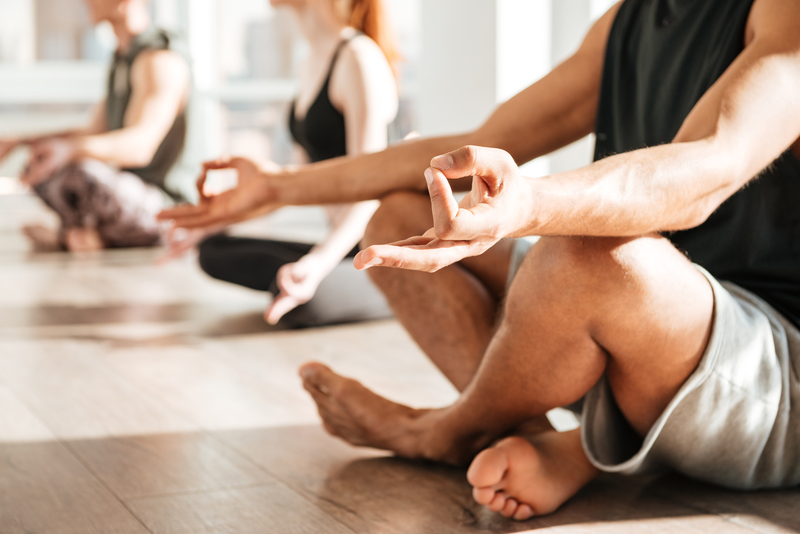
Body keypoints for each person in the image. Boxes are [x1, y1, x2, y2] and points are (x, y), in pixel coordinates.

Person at [159, 0, 800, 520]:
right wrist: (275, 187)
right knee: (398, 212)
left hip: (773, 372)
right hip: (656, 329)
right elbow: (478, 143)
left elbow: (709, 168)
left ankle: (443, 432)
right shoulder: (630, 19)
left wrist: (530, 204)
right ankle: (533, 437)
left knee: (580, 250)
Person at [169, 0, 399, 326]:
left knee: (306, 303)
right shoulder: (309, 63)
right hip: (343, 247)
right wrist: (217, 219)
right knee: (213, 249)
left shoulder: (359, 58)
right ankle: (312, 281)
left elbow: (369, 191)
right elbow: (295, 184)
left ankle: (401, 290)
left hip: (381, 251)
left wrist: (317, 263)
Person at [0, 0, 190, 252]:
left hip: (170, 210)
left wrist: (69, 150)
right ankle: (89, 236)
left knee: (80, 171)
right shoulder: (123, 61)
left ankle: (77, 237)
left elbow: (140, 147)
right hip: (130, 198)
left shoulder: (159, 60)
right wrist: (21, 142)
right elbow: (92, 131)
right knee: (41, 165)